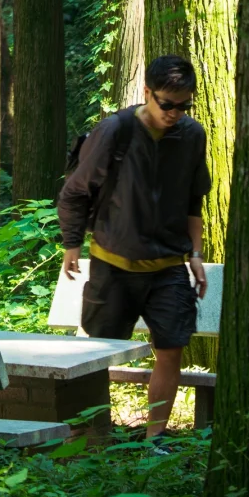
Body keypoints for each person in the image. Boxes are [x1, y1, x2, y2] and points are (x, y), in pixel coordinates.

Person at [57, 54, 210, 440]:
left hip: (168, 265)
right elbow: (75, 191)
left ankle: (154, 440)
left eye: (184, 106)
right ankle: (91, 440)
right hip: (113, 263)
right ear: (147, 92)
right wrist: (72, 244)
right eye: (167, 104)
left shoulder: (192, 136)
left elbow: (194, 199)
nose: (175, 113)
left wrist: (195, 254)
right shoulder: (116, 130)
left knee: (172, 349)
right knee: (98, 354)